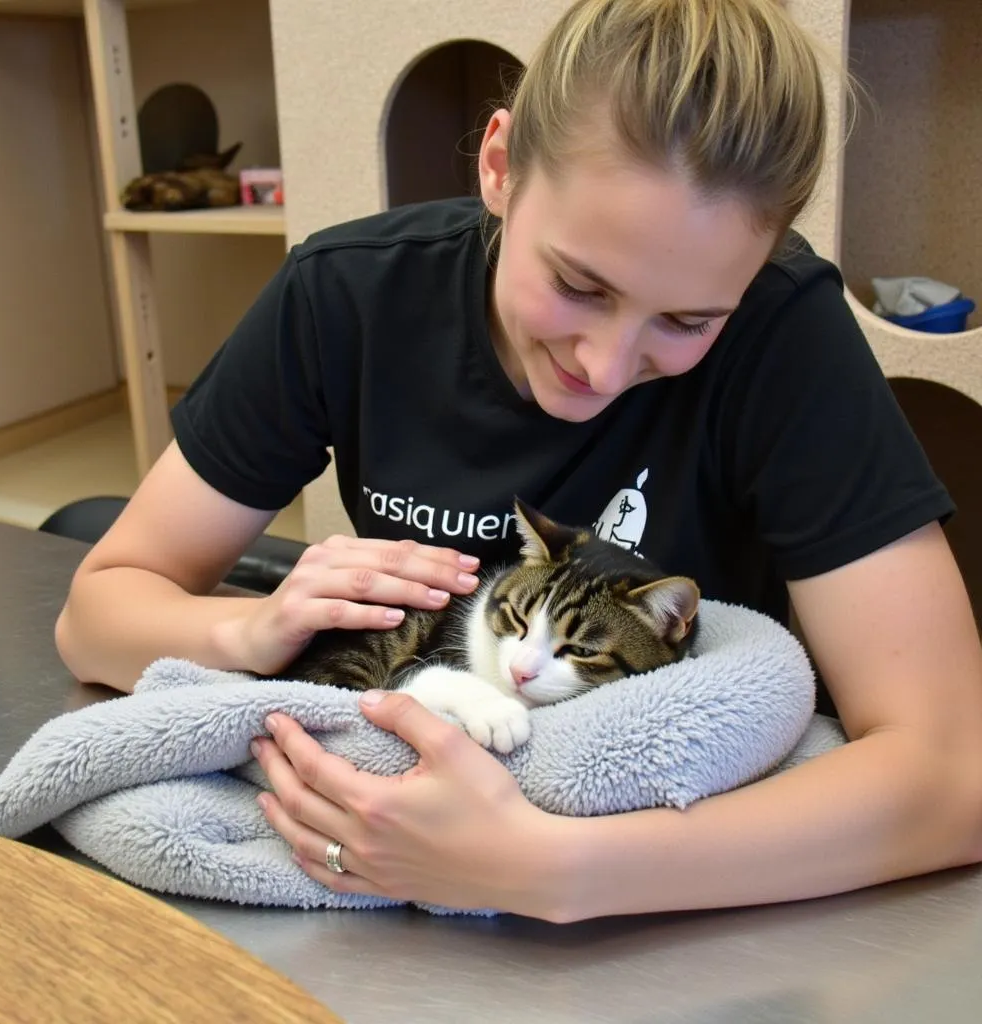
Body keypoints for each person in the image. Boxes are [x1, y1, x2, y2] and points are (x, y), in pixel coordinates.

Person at [55, 0, 982, 922]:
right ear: (498, 167)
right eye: (579, 285)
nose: (606, 367)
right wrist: (249, 636)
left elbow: (956, 774)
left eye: (690, 321)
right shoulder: (350, 297)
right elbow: (96, 615)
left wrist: (554, 870)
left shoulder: (786, 334)